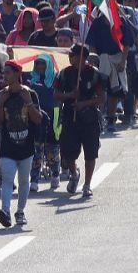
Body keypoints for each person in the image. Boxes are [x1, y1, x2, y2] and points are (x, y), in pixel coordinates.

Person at [0, 60, 43, 228]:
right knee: (7, 179)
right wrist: (0, 103)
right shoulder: (0, 95)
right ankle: (5, 211)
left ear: (17, 74)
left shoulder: (30, 94)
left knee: (23, 181)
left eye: (8, 72)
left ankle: (20, 211)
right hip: (8, 145)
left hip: (26, 146)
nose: (4, 75)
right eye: (4, 72)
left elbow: (37, 119)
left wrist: (28, 103)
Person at [56, 44, 107, 198]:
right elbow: (56, 94)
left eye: (73, 55)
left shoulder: (94, 74)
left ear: (81, 57)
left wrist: (84, 104)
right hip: (70, 118)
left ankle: (87, 185)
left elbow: (101, 98)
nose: (70, 58)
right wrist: (70, 95)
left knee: (90, 153)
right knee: (67, 153)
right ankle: (74, 172)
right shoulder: (64, 73)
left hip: (89, 118)